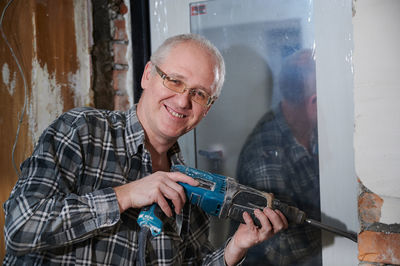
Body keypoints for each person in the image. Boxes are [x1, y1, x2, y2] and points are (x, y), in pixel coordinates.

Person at [3, 34, 288, 265]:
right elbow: (20, 227)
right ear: (148, 75)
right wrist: (124, 195)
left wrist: (234, 249)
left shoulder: (189, 185)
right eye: (175, 81)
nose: (182, 101)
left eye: (199, 94)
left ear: (207, 108)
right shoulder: (83, 130)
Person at [234, 49, 322, 265]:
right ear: (313, 103)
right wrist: (345, 226)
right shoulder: (266, 156)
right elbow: (282, 250)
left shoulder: (312, 129)